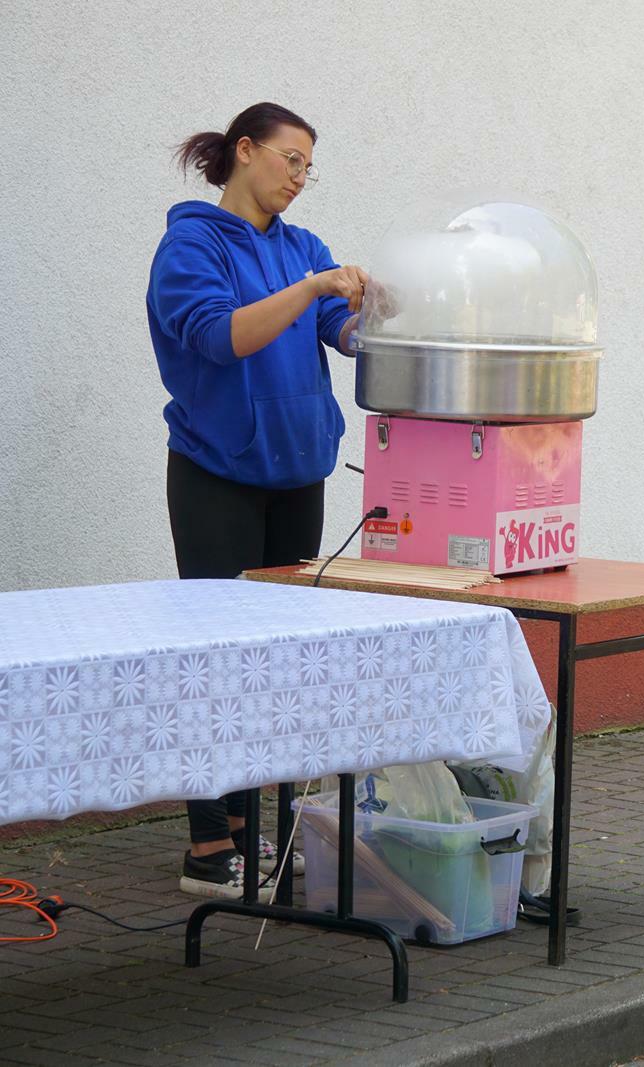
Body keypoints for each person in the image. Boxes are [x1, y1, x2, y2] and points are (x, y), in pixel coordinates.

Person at [147, 102, 368, 899]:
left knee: (272, 662)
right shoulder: (192, 244)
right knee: (213, 659)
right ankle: (211, 839)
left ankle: (253, 826)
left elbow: (344, 333)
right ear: (245, 152)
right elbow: (221, 336)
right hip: (216, 475)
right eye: (290, 160)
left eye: (310, 167)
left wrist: (375, 311)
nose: (299, 179)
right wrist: (311, 288)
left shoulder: (303, 247)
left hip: (295, 475)